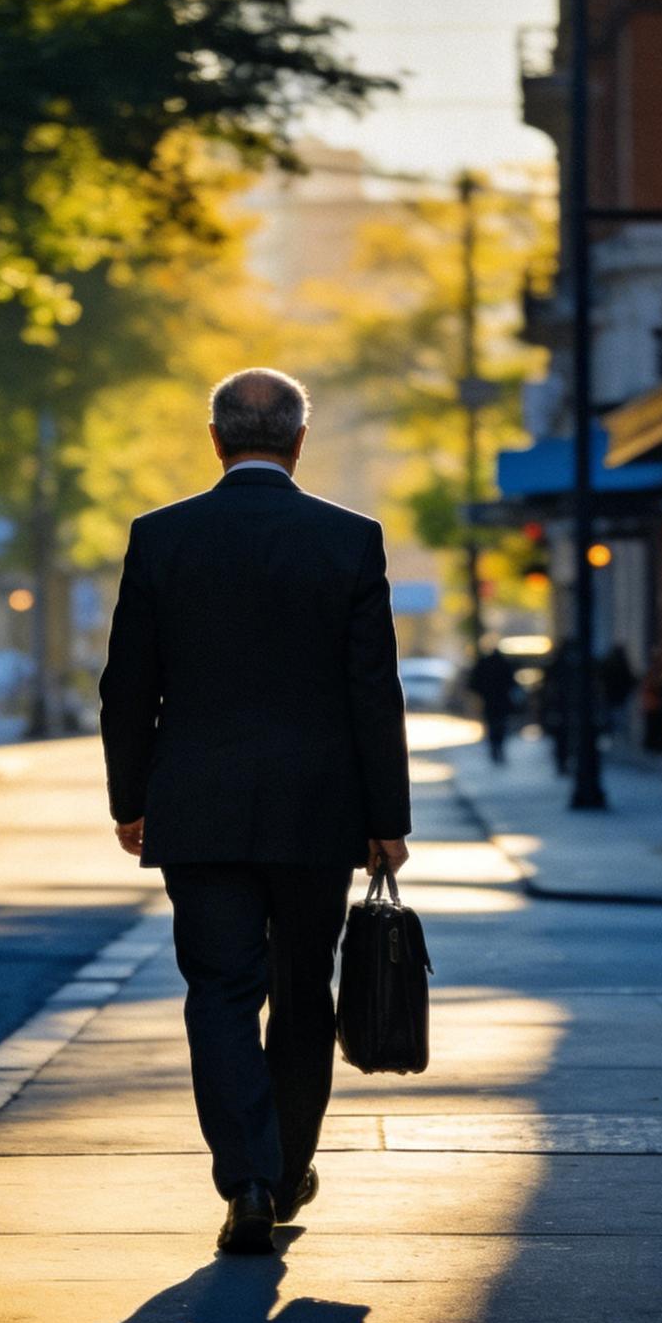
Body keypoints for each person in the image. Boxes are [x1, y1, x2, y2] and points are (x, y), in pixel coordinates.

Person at [98, 369, 411, 1256]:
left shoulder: (161, 538)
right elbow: (371, 689)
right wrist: (387, 818)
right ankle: (287, 1163)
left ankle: (248, 1177)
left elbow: (128, 686)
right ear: (300, 443)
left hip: (195, 807)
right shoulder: (350, 539)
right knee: (304, 991)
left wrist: (133, 800)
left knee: (221, 992)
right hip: (319, 811)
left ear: (217, 440)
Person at [468, 640, 516, 765]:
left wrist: (483, 693)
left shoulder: (485, 664)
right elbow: (512, 683)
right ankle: (498, 749)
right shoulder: (504, 664)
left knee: (492, 725)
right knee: (500, 725)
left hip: (490, 700)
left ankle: (495, 749)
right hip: (500, 700)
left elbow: (473, 683)